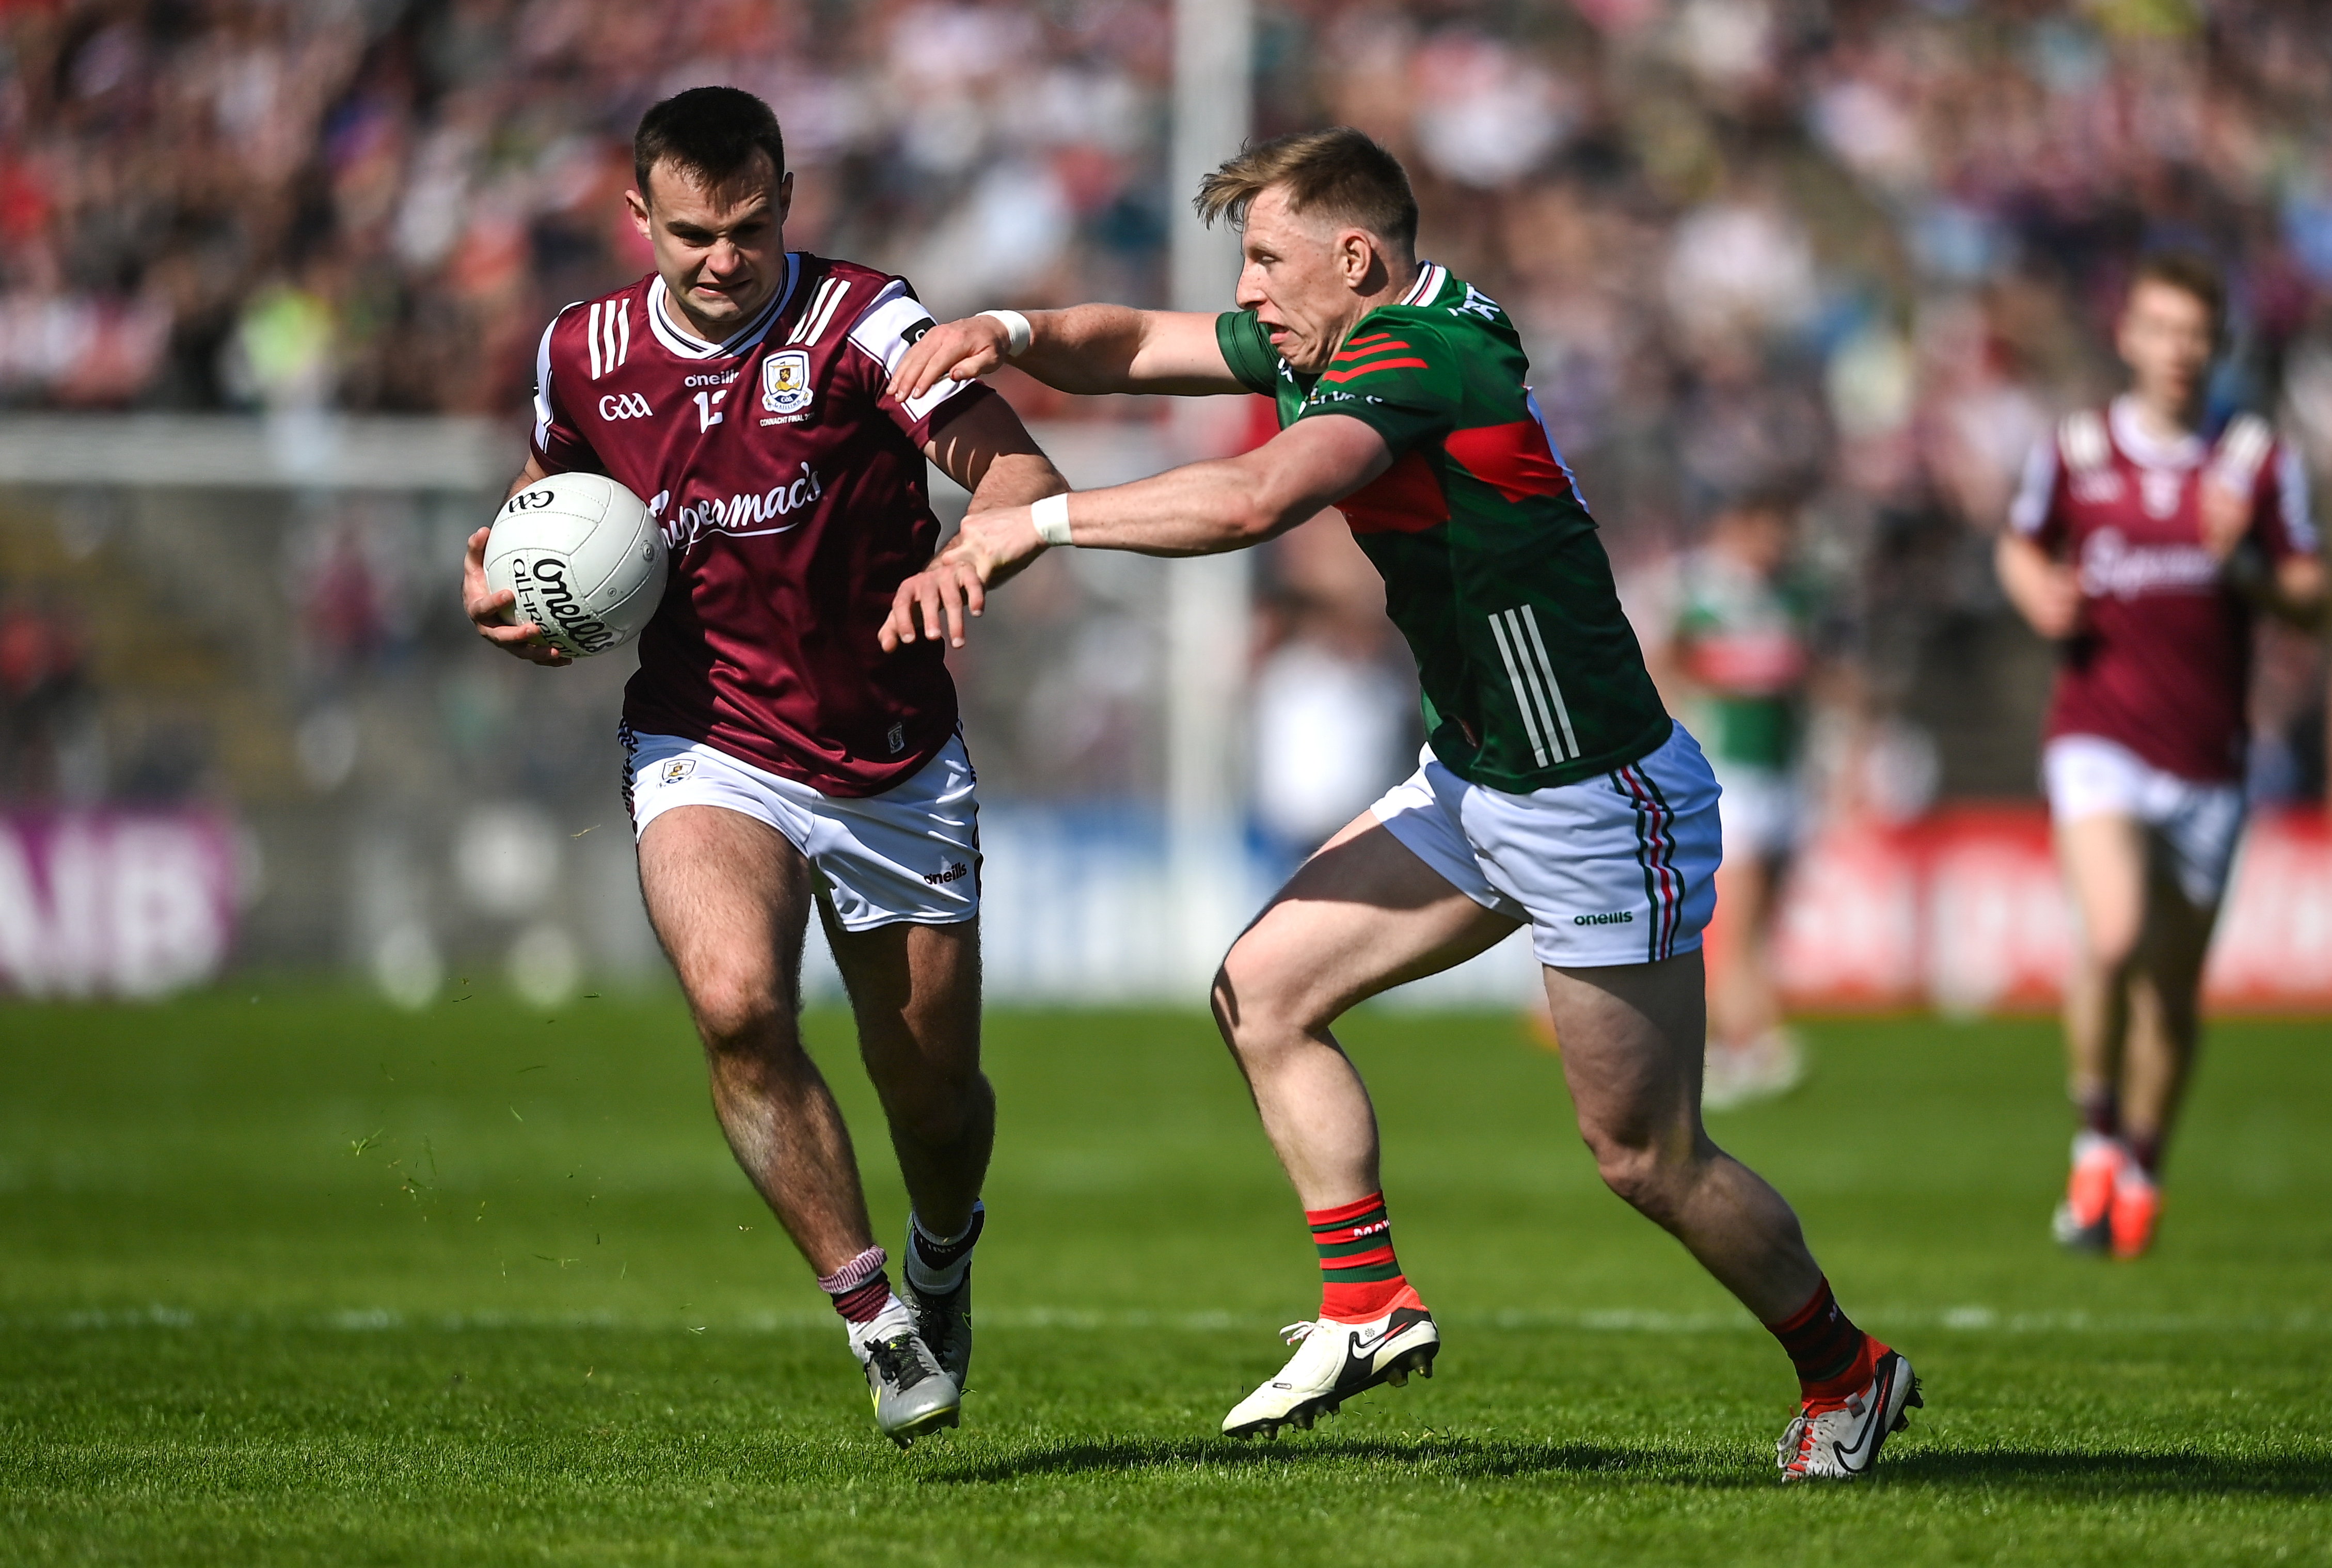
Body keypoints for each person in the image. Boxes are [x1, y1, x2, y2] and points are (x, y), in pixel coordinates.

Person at [884, 127, 1919, 1481]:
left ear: (1353, 254)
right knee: (1260, 991)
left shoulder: (1424, 357)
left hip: (1596, 796)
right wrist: (1008, 327)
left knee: (1642, 1155)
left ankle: (1847, 1367)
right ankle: (1367, 1300)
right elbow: (1137, 343)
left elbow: (1258, 496)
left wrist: (1041, 522)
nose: (1248, 290)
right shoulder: (1356, 325)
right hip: (1476, 778)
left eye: (1265, 257)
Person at [459, 87, 1068, 1446]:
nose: (722, 259)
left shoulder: (867, 325)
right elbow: (539, 510)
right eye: (690, 234)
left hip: (893, 760)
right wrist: (502, 582)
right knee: (738, 1004)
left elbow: (1017, 470)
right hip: (706, 738)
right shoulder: (580, 352)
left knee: (935, 1098)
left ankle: (942, 1253)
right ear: (639, 219)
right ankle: (875, 1321)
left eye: (746, 227)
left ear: (786, 197)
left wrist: (974, 544)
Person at [1996, 253, 2325, 1260]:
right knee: (2112, 934)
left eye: (2195, 333)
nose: (2176, 351)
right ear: (2127, 338)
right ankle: (2093, 1137)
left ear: (2214, 345)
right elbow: (2019, 542)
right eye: (2159, 329)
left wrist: (2243, 571)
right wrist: (2035, 594)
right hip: (2097, 736)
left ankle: (2139, 1161)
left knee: (2173, 995)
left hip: (2207, 758)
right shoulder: (2078, 449)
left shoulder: (2254, 461)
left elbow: (2310, 596)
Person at [1656, 493, 1822, 1108]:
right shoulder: (1703, 595)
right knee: (1740, 917)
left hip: (1784, 774)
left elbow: (1815, 676)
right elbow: (1664, 665)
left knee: (1766, 922)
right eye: (1767, 532)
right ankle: (1754, 1040)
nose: (1776, 546)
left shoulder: (1795, 597)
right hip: (1731, 778)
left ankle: (1730, 1045)